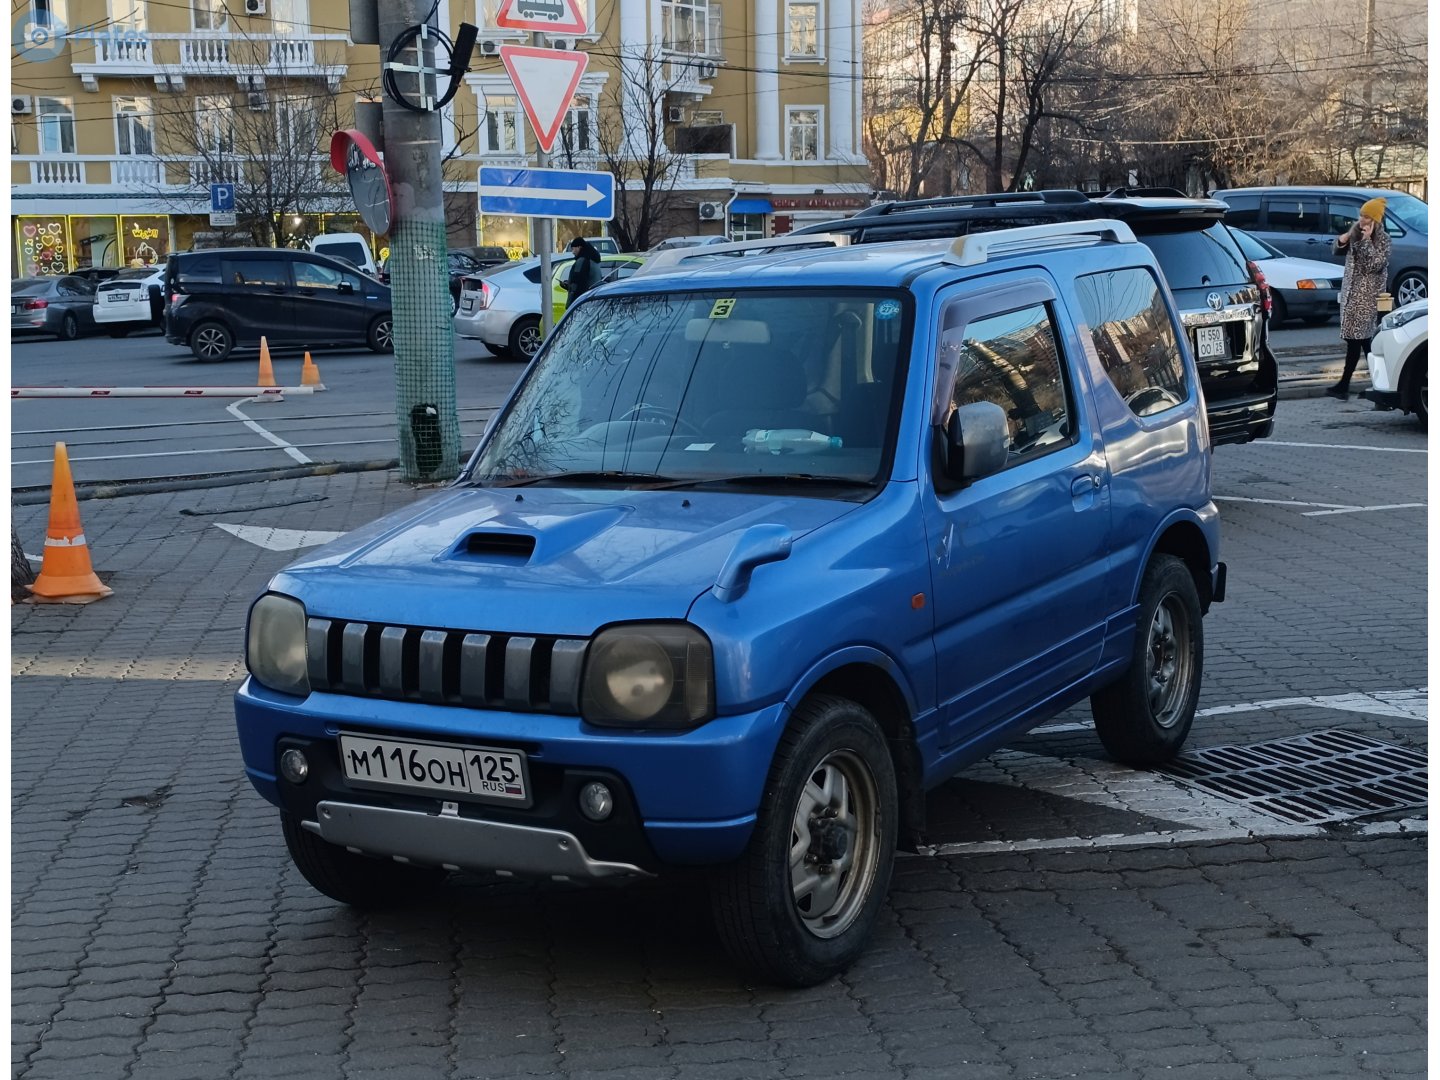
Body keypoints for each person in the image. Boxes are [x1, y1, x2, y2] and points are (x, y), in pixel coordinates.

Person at [1326, 197, 1391, 400]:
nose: (1362, 220)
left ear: (1375, 219)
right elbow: (1336, 251)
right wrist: (1342, 240)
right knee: (1361, 342)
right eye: (1361, 215)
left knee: (1361, 342)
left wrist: (1365, 242)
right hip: (1352, 297)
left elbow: (1376, 264)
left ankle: (1348, 386)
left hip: (1368, 298)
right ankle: (1379, 384)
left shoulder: (1384, 239)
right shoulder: (1356, 232)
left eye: (1366, 216)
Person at [565, 237, 603, 303]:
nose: (572, 252)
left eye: (573, 249)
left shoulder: (582, 261)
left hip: (583, 299)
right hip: (593, 296)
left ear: (579, 247)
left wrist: (568, 286)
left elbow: (577, 281)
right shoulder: (593, 259)